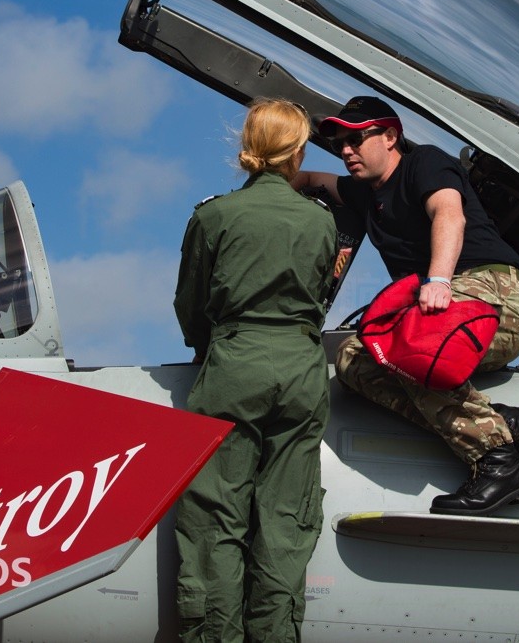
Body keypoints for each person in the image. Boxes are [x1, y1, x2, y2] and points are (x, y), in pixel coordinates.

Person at [291, 95, 519, 516]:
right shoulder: (365, 194)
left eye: (357, 138)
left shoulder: (425, 164)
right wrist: (267, 175)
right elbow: (310, 180)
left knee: (409, 348)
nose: (346, 149)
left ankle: (499, 463)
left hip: (493, 293)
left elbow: (449, 214)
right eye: (342, 142)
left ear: (391, 136)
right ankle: (512, 426)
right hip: (441, 312)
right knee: (352, 362)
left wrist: (438, 279)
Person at [173, 99, 338, 643]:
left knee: (216, 519)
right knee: (286, 521)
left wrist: (211, 346)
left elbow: (191, 305)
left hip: (234, 364)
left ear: (247, 145)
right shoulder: (321, 221)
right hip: (301, 370)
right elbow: (319, 297)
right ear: (298, 151)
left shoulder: (213, 215)